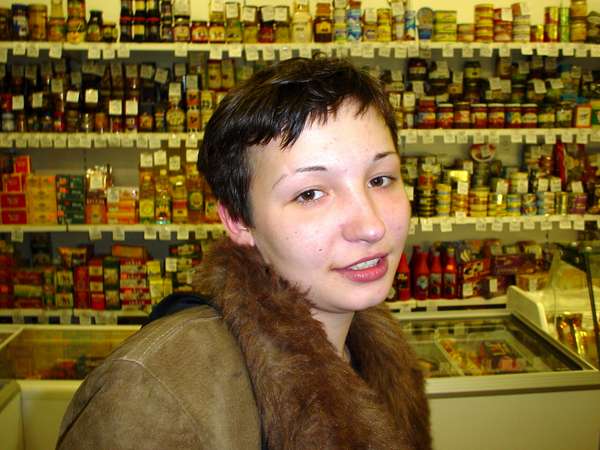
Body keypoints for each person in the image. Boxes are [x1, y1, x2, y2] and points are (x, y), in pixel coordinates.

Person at [57, 57, 431, 450]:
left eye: (380, 179)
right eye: (310, 193)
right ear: (238, 220)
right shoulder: (154, 394)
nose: (371, 226)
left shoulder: (379, 356)